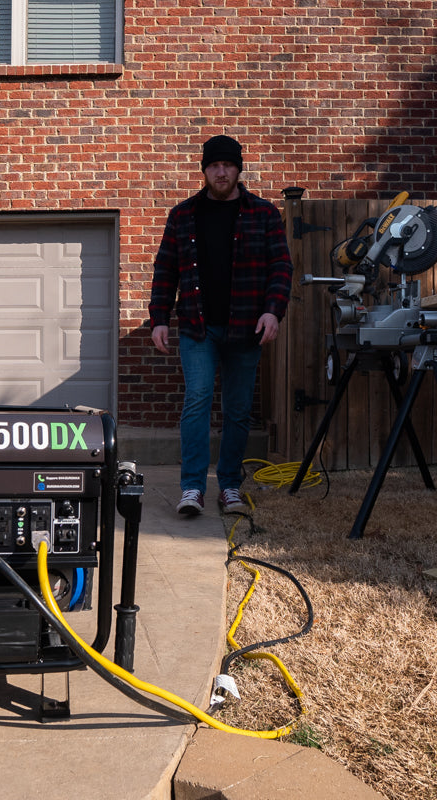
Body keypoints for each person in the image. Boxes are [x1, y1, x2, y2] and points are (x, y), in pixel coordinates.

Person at [148, 134, 293, 516]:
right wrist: (159, 319)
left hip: (246, 328)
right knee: (197, 400)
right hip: (198, 328)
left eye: (228, 165)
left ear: (238, 169)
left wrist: (273, 311)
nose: (221, 172)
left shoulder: (264, 214)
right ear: (205, 170)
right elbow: (166, 270)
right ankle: (192, 487)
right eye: (214, 165)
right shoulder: (182, 215)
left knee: (238, 409)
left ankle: (229, 485)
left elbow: (281, 266)